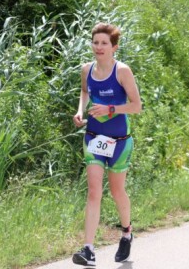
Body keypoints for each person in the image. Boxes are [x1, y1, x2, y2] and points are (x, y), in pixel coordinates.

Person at [72, 22, 142, 266]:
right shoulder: (86, 69)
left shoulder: (122, 71)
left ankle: (126, 232)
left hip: (120, 140)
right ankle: (88, 250)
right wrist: (80, 112)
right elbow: (84, 93)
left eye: (104, 43)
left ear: (114, 47)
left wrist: (110, 108)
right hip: (93, 137)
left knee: (116, 191)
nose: (98, 47)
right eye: (95, 42)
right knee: (94, 191)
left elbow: (137, 106)